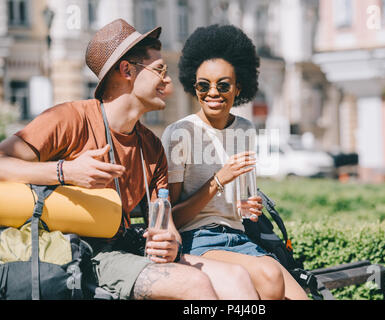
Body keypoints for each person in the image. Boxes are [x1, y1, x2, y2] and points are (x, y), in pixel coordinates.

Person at [0, 19, 259, 300]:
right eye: (159, 70)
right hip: (79, 255)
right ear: (126, 70)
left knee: (237, 278)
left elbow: (163, 221)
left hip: (128, 249)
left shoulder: (152, 147)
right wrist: (66, 172)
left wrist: (169, 242)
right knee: (193, 285)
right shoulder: (69, 119)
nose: (168, 81)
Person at [162, 24, 309, 300]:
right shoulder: (180, 133)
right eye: (203, 86)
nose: (213, 93)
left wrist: (245, 207)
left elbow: (239, 204)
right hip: (198, 240)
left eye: (223, 85)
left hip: (239, 237)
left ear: (238, 87)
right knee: (269, 276)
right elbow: (173, 218)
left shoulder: (245, 130)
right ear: (194, 87)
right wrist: (219, 180)